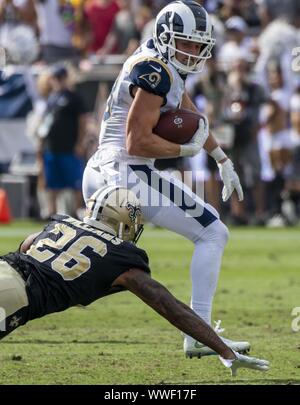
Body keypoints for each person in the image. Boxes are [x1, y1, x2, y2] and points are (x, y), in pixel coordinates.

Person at [82, 0, 247, 359]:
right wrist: (187, 152)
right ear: (165, 35)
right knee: (213, 233)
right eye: (185, 43)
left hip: (110, 170)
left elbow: (188, 110)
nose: (192, 52)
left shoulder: (159, 61)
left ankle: (21, 287)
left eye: (196, 44)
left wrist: (220, 157)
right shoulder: (155, 71)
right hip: (124, 172)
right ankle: (198, 333)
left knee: (86, 261)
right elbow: (137, 141)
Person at [0, 186, 269, 377]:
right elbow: (171, 307)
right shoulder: (121, 258)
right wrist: (224, 350)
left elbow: (28, 244)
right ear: (124, 222)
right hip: (14, 296)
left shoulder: (61, 222)